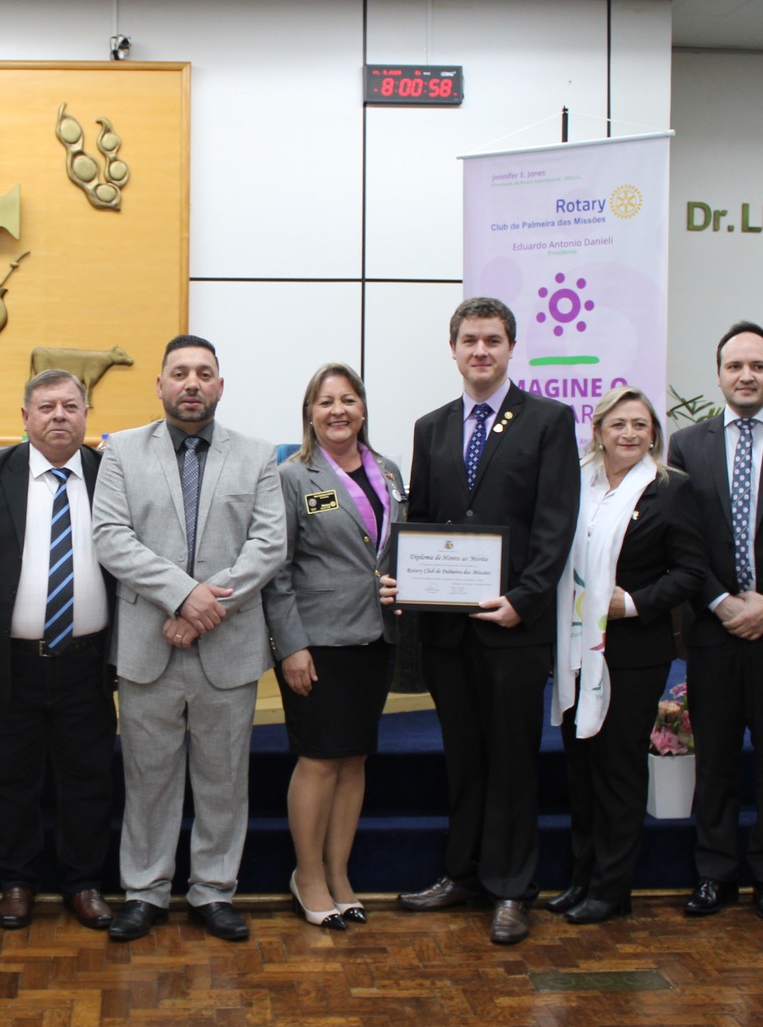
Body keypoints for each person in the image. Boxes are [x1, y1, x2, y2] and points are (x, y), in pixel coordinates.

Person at [394, 296, 579, 946]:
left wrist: (524, 598)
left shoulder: (550, 421)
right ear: (453, 348)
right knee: (464, 757)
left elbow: (557, 525)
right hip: (449, 632)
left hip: (513, 627)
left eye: (492, 340)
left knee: (512, 760)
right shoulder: (432, 426)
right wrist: (407, 580)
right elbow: (426, 518)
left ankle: (510, 887)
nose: (480, 351)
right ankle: (462, 872)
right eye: (469, 339)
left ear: (510, 347)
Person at [91, 335, 287, 943]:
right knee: (148, 779)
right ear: (160, 384)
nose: (192, 383)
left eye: (205, 373)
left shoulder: (258, 456)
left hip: (226, 647)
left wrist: (204, 607)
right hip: (149, 645)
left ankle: (213, 891)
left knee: (224, 778)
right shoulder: (120, 451)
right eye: (180, 373)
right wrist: (183, 596)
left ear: (220, 386)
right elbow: (112, 537)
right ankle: (145, 892)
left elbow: (268, 546)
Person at [0, 369, 118, 932]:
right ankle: (16, 881)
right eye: (46, 406)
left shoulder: (110, 474)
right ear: (24, 417)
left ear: (87, 414)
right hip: (7, 662)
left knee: (88, 776)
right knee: (7, 776)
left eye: (71, 405)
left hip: (90, 659)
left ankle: (83, 883)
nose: (59, 416)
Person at [544, 387, 707, 924]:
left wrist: (633, 602)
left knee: (617, 769)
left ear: (654, 433)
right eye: (619, 424)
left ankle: (612, 890)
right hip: (574, 649)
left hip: (632, 652)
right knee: (581, 769)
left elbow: (688, 572)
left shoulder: (670, 490)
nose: (630, 434)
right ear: (599, 430)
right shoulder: (578, 484)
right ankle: (581, 878)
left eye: (641, 424)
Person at [666, 322, 763, 920]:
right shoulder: (687, 445)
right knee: (716, 755)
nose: (746, 375)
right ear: (719, 373)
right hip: (712, 627)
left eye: (758, 365)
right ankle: (714, 873)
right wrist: (721, 601)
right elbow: (681, 538)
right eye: (734, 366)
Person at [261, 363, 404, 929]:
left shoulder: (389, 472)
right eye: (325, 402)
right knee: (319, 760)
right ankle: (308, 875)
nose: (338, 410)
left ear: (363, 408)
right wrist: (290, 645)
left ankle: (340, 872)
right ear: (310, 413)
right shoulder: (293, 477)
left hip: (376, 635)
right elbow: (277, 571)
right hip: (316, 642)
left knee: (354, 759)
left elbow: (396, 550)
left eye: (348, 399)